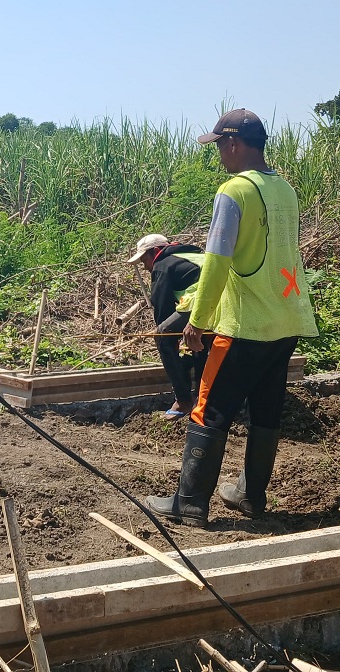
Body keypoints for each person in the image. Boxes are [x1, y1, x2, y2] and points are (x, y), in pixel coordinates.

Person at [145, 109, 318, 527]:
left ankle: (188, 503)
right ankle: (250, 496)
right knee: (266, 410)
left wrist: (198, 320)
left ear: (235, 143)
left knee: (208, 408)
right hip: (286, 319)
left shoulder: (233, 191)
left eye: (220, 145)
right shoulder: (286, 190)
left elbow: (217, 261)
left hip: (244, 324)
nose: (219, 153)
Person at [125, 233, 208, 418]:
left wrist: (172, 340)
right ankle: (202, 400)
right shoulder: (190, 254)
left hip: (203, 302)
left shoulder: (162, 265)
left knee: (163, 335)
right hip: (225, 303)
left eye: (145, 260)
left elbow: (162, 311)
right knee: (201, 342)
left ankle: (184, 400)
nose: (146, 267)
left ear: (155, 251)